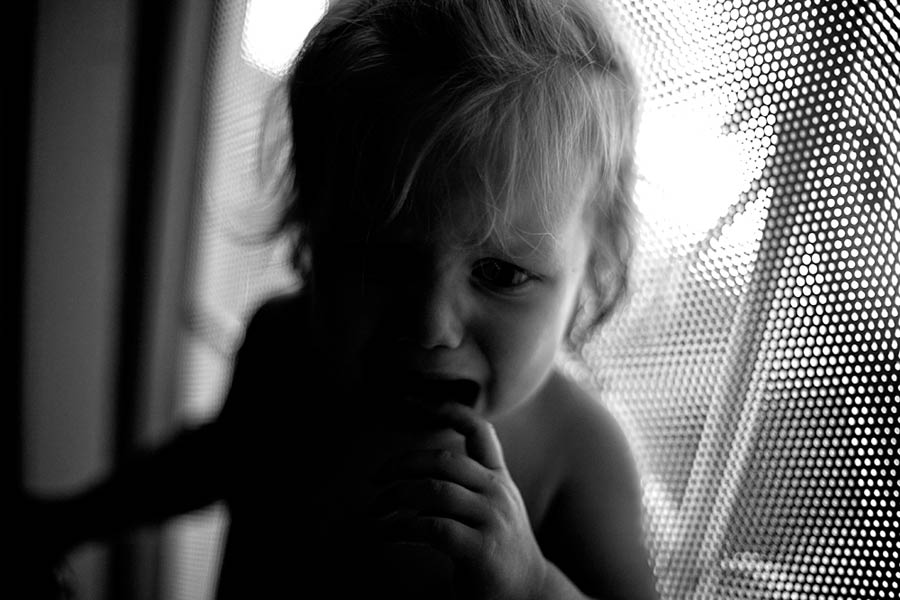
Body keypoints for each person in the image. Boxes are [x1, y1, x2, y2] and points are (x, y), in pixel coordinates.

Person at [21, 0, 657, 598]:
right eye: (381, 258)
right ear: (309, 234)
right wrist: (66, 520)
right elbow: (214, 459)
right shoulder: (282, 346)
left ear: (594, 273)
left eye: (500, 273)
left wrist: (534, 585)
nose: (430, 326)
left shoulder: (579, 454)